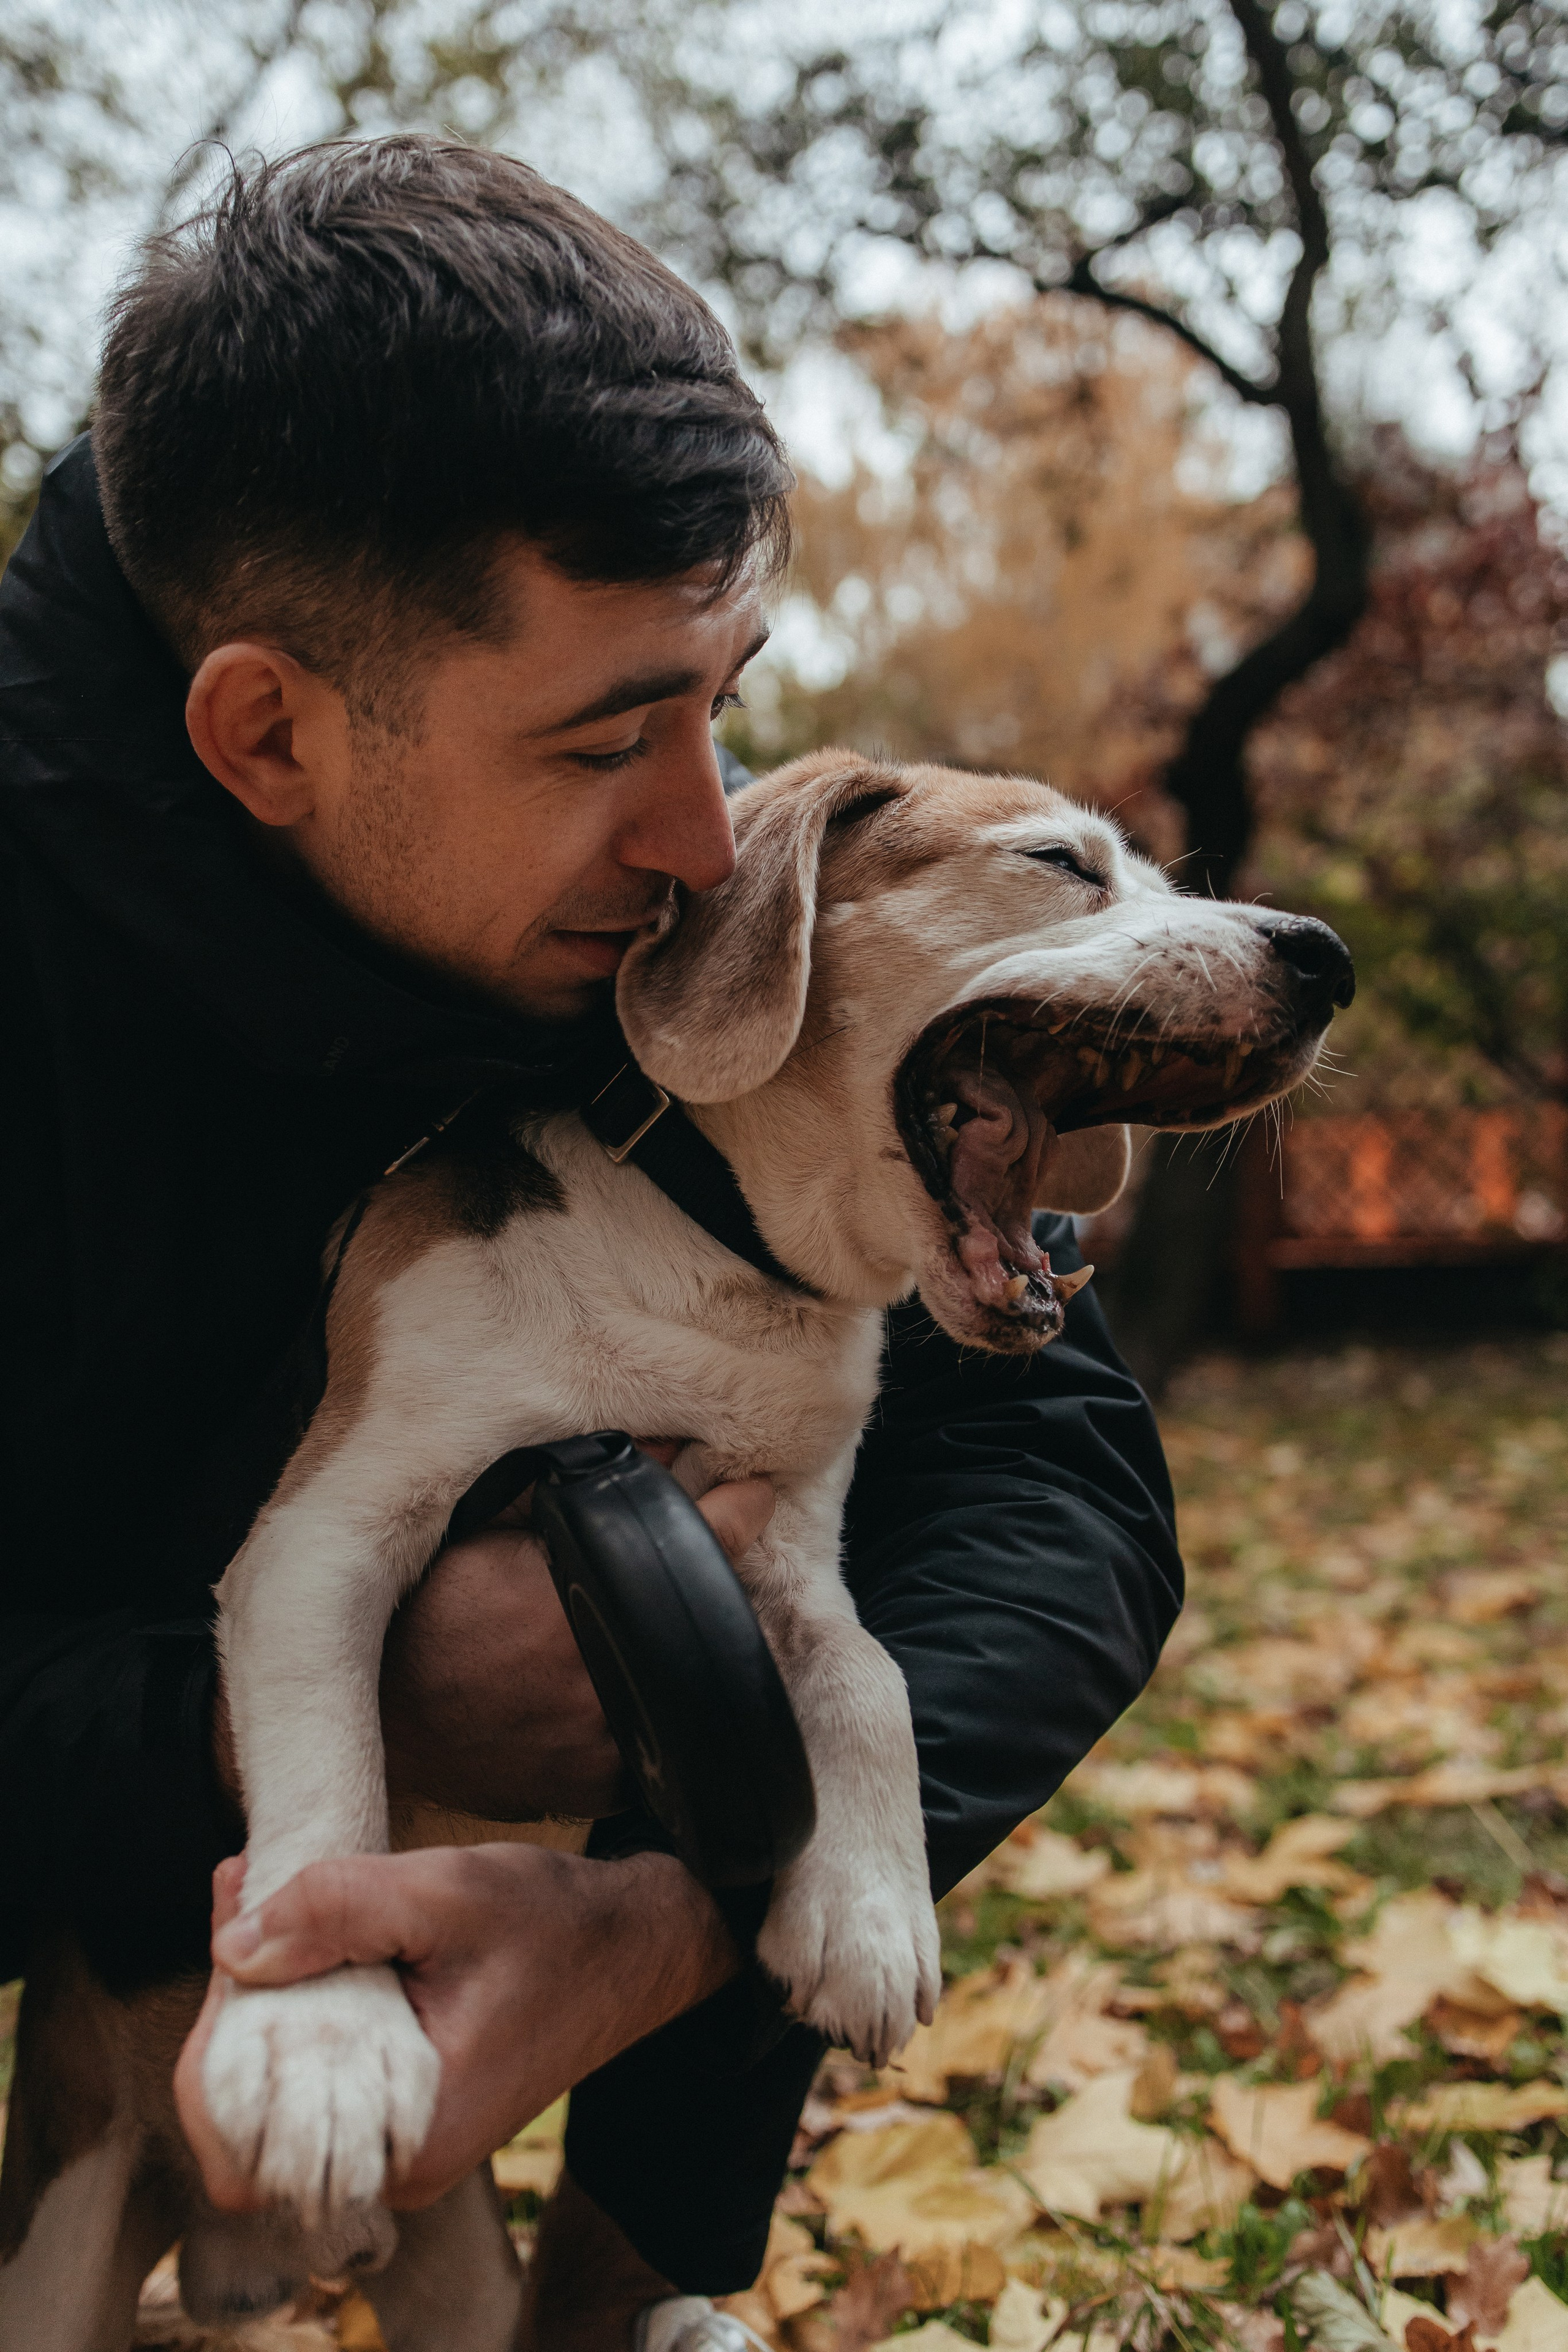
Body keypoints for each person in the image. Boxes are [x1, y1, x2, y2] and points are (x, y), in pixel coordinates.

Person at [0, 136, 1183, 2349]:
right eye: (613, 739)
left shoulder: (652, 910)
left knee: (763, 1627)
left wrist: (662, 1923)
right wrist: (338, 1704)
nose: (706, 833)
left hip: (546, 1897)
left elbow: (1051, 1489)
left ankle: (609, 2308)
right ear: (267, 729)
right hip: (107, 1866)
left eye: (721, 699)